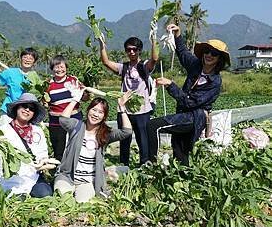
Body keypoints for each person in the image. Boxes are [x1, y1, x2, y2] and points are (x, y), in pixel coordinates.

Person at [147, 24, 231, 166]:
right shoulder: (196, 65)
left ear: (219, 59)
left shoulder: (215, 82)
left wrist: (170, 85)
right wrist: (178, 34)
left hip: (195, 118)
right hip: (183, 113)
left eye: (214, 54)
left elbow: (190, 102)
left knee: (153, 125)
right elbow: (183, 52)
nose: (209, 55)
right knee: (180, 151)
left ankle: (151, 165)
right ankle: (183, 179)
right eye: (208, 51)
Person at [54, 83, 133, 203]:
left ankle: (103, 175)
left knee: (82, 202)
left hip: (87, 180)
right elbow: (63, 120)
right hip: (67, 177)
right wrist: (75, 99)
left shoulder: (105, 134)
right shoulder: (77, 125)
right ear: (88, 110)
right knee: (63, 199)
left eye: (100, 112)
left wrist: (122, 108)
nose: (96, 114)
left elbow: (126, 132)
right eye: (94, 110)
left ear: (104, 116)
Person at [99, 36, 158, 167]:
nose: (131, 52)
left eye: (134, 49)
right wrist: (102, 45)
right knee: (124, 138)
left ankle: (144, 164)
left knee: (143, 139)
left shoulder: (144, 66)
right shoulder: (123, 67)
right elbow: (106, 62)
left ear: (139, 50)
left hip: (142, 110)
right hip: (125, 110)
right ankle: (124, 164)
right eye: (128, 50)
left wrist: (154, 41)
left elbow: (154, 59)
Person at [0, 93, 53, 198]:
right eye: (24, 106)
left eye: (31, 108)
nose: (27, 110)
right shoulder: (3, 131)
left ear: (34, 114)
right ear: (17, 108)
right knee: (13, 196)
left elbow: (43, 154)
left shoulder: (38, 131)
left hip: (32, 176)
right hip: (10, 178)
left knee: (45, 193)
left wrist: (42, 163)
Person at [46, 55, 87, 161]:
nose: (59, 70)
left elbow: (85, 98)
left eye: (62, 67)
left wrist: (85, 92)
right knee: (58, 149)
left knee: (77, 146)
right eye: (56, 67)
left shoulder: (73, 80)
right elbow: (45, 102)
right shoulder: (47, 84)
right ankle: (59, 172)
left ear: (66, 68)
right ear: (52, 69)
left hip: (75, 119)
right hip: (56, 122)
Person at [0, 47, 39, 125]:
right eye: (25, 57)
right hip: (9, 111)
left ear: (34, 62)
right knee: (7, 135)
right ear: (20, 58)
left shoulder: (35, 76)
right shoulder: (10, 72)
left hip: (26, 112)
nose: (27, 60)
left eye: (30, 58)